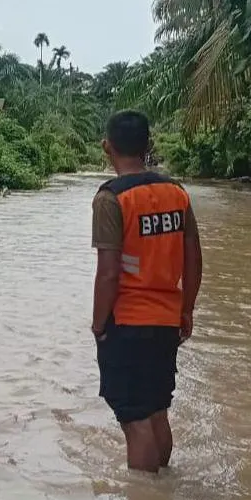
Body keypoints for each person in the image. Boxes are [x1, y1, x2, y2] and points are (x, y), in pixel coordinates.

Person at [90, 110, 203, 473]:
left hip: (127, 322)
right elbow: (194, 259)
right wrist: (186, 310)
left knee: (135, 421)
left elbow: (108, 274)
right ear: (149, 145)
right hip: (166, 320)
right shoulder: (177, 193)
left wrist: (98, 324)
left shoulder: (110, 199)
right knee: (157, 409)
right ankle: (164, 493)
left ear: (107, 147)